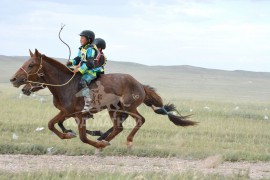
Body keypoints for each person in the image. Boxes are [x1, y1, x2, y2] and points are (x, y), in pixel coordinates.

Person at [66, 30, 97, 113]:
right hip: (83, 70)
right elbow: (78, 58)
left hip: (90, 72)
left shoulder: (91, 49)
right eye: (80, 38)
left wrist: (79, 70)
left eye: (82, 38)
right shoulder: (82, 49)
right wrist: (71, 62)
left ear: (89, 40)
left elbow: (90, 63)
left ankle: (88, 102)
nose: (80, 40)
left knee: (82, 82)